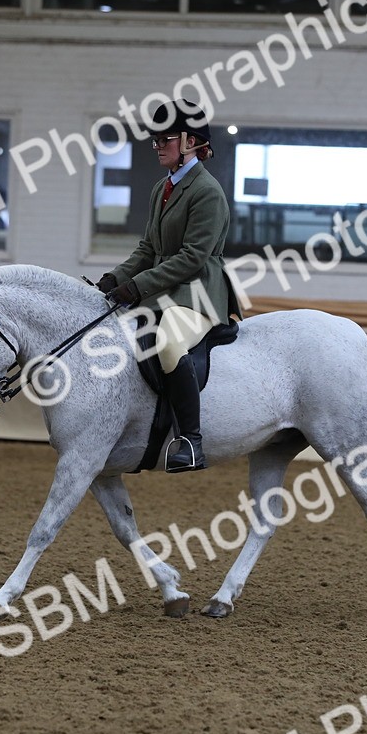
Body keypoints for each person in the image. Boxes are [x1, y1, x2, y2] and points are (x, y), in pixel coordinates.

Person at [94, 101, 241, 473]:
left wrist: (138, 286)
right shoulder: (163, 186)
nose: (158, 145)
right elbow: (148, 248)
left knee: (169, 343)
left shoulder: (207, 191)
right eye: (156, 140)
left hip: (198, 293)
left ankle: (191, 441)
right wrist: (116, 278)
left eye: (167, 139)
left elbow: (192, 257)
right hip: (165, 291)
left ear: (191, 142)